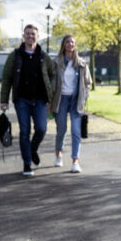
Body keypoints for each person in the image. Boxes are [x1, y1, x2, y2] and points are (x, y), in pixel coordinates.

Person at [0, 24, 56, 177]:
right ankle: (27, 164)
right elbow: (7, 78)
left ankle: (32, 149)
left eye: (33, 34)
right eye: (28, 34)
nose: (30, 36)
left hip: (39, 100)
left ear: (37, 37)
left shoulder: (43, 57)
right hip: (22, 100)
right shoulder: (15, 55)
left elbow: (54, 74)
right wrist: (3, 100)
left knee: (42, 129)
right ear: (23, 36)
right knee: (24, 131)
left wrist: (50, 88)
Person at [50, 35, 92, 173]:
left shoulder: (81, 63)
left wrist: (84, 96)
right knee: (61, 130)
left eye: (72, 42)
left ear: (75, 45)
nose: (70, 44)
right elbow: (50, 80)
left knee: (76, 131)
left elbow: (88, 83)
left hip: (75, 100)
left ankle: (75, 161)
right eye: (67, 42)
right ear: (63, 44)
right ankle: (58, 154)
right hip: (61, 99)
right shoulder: (56, 62)